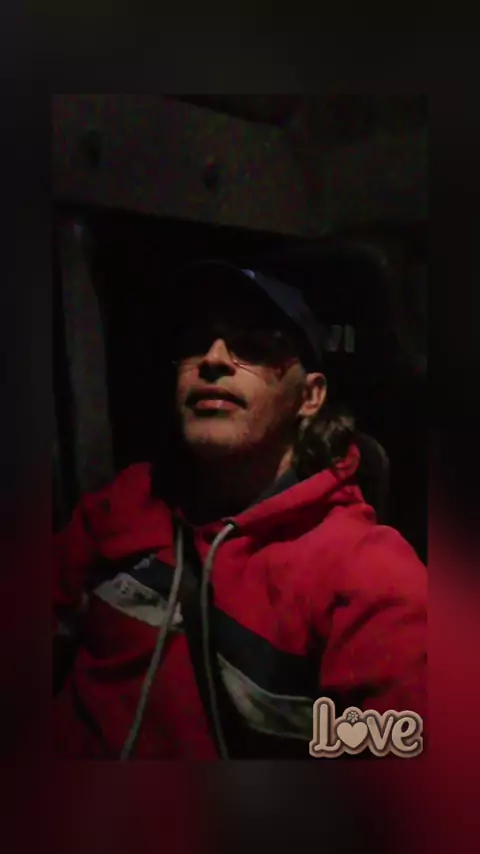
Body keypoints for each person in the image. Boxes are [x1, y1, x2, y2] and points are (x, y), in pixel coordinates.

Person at [53, 259, 427, 760]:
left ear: (310, 396)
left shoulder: (368, 575)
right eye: (196, 343)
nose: (212, 360)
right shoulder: (127, 500)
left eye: (252, 346)